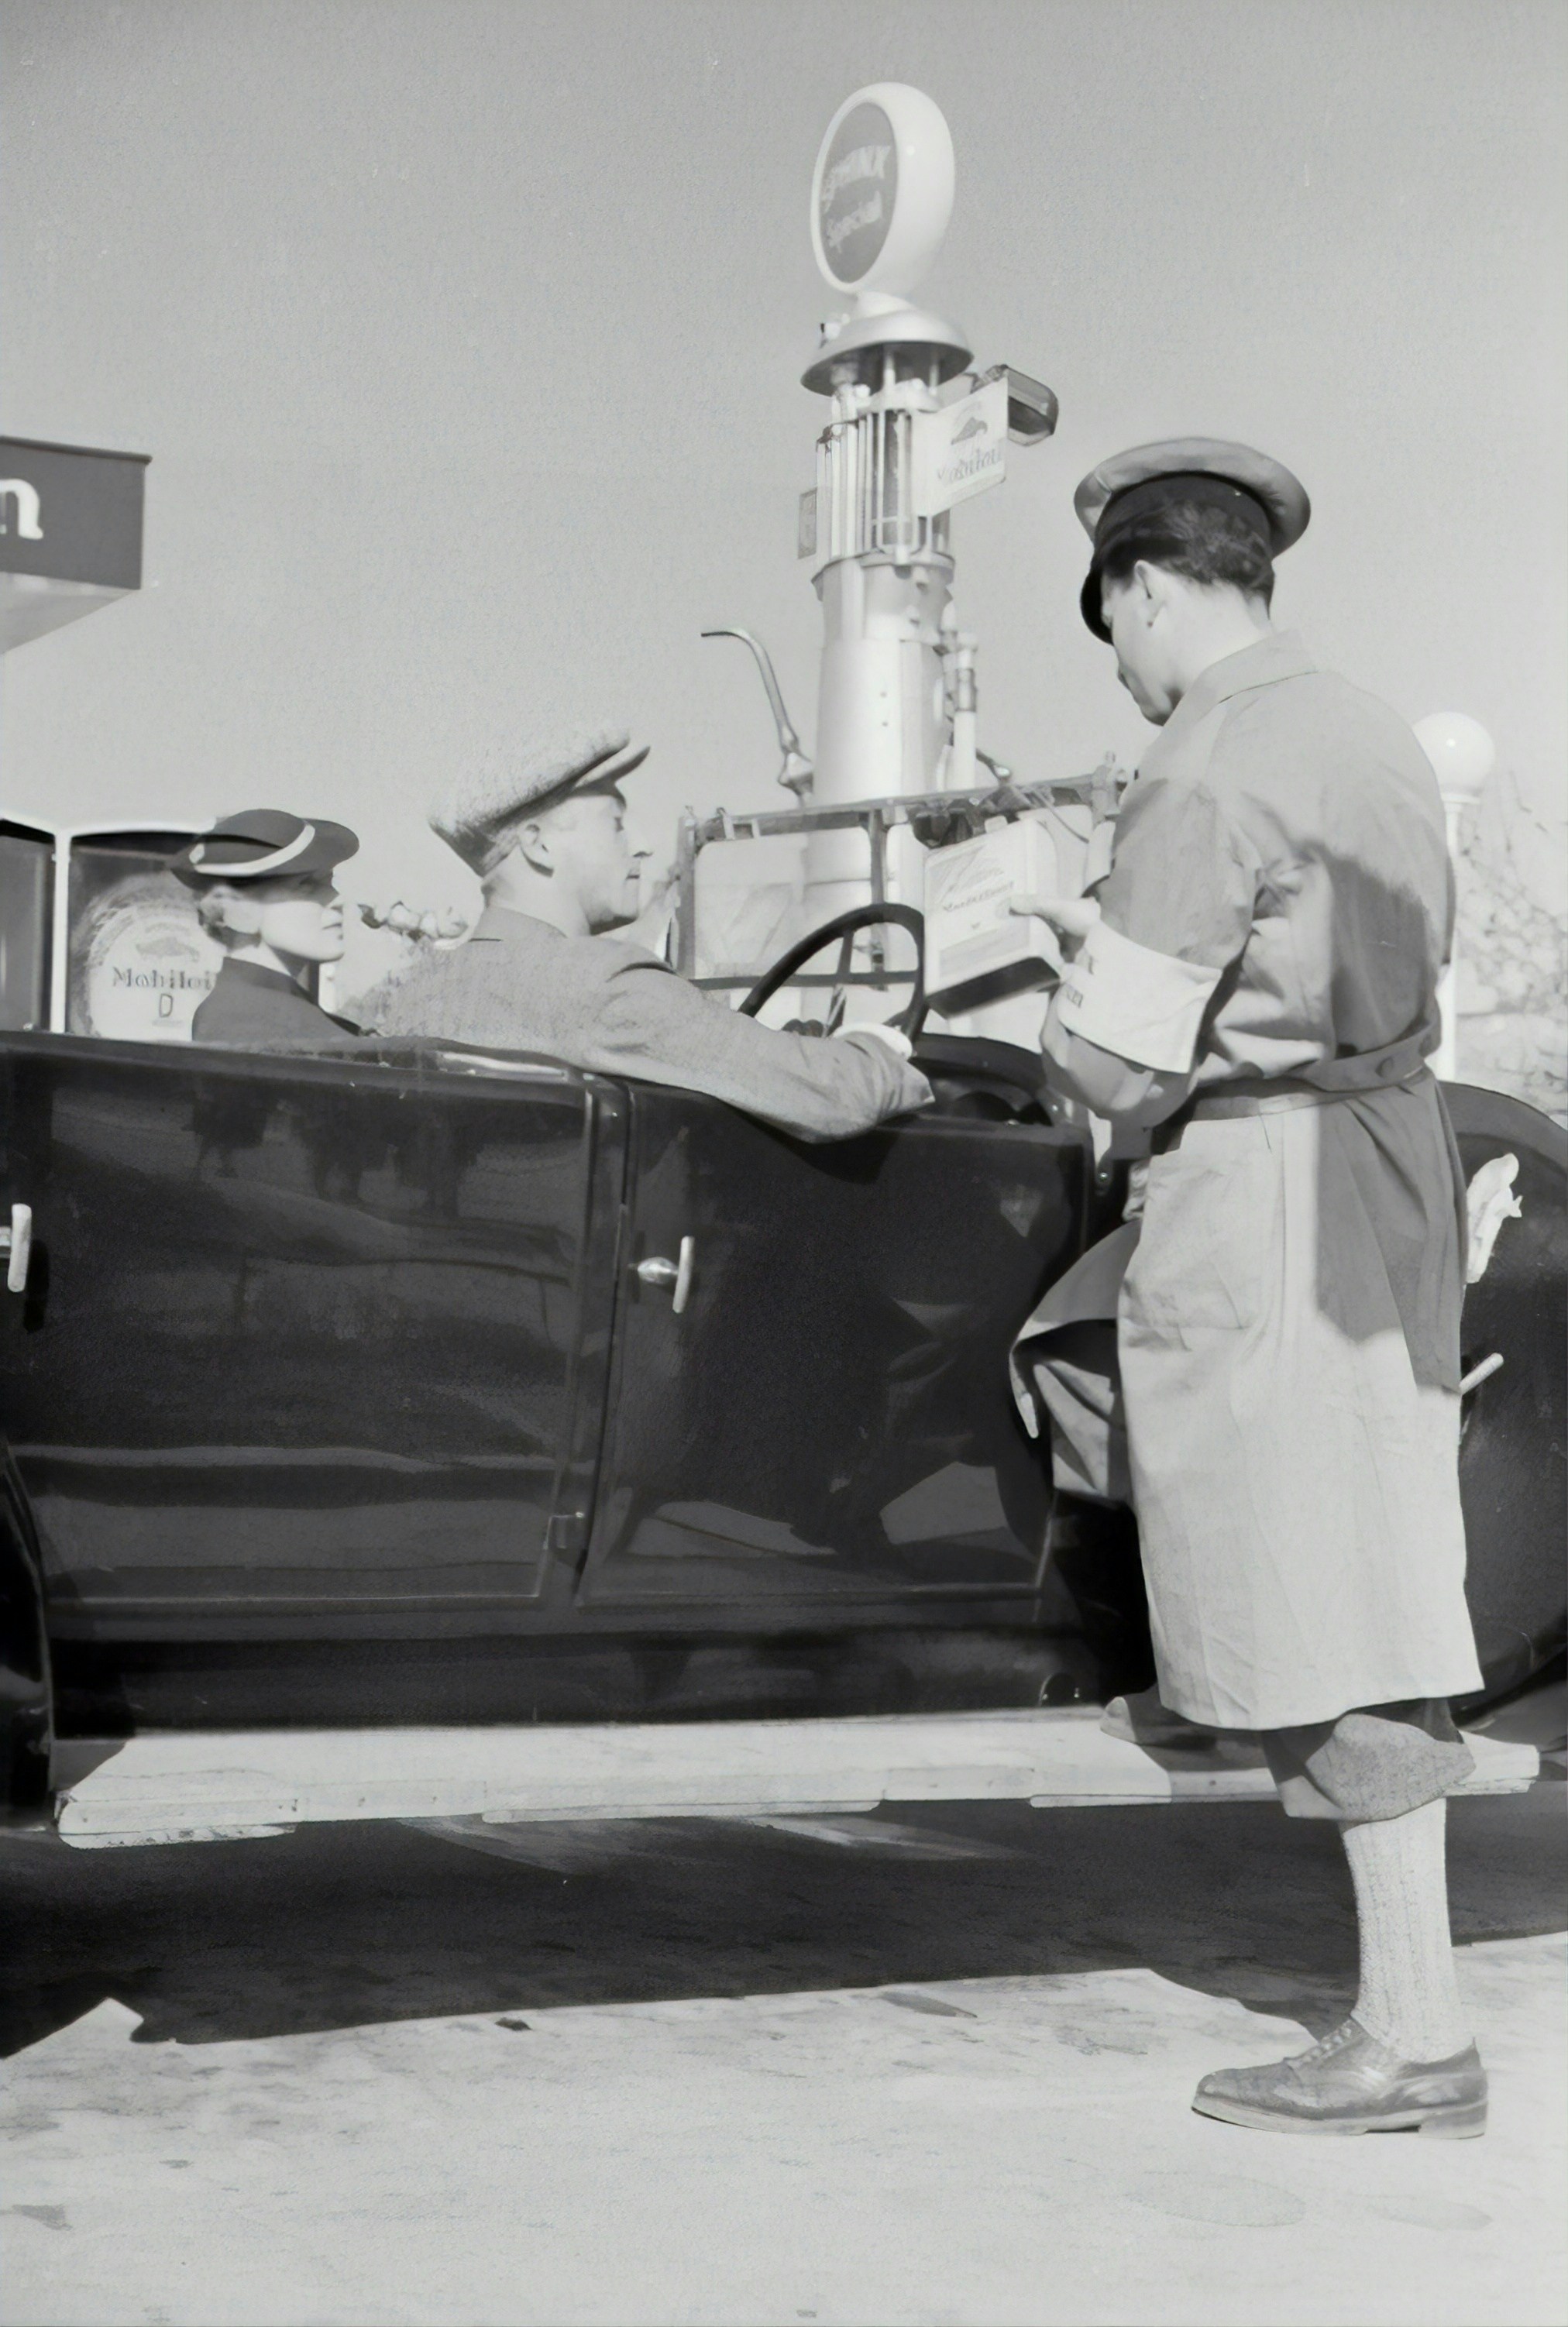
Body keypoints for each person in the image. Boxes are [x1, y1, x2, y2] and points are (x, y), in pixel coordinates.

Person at [1013, 439, 1487, 2138]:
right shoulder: (1359, 725)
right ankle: (1411, 2008)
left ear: (1139, 587)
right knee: (1368, 1559)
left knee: (1316, 1590)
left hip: (1265, 1187)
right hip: (1384, 1157)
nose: (1127, 675)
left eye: (1111, 632)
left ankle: (1411, 2028)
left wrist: (1048, 973)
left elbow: (1117, 1073)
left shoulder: (1202, 759)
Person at [375, 728, 931, 1140]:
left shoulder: (415, 998)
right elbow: (833, 1097)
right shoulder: (601, 982)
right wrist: (881, 1049)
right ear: (538, 845)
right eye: (615, 823)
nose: (641, 843)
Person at [175, 809, 365, 1043]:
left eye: (330, 882)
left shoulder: (269, 1013)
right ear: (239, 910)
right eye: (307, 884)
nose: (338, 901)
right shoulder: (250, 1022)